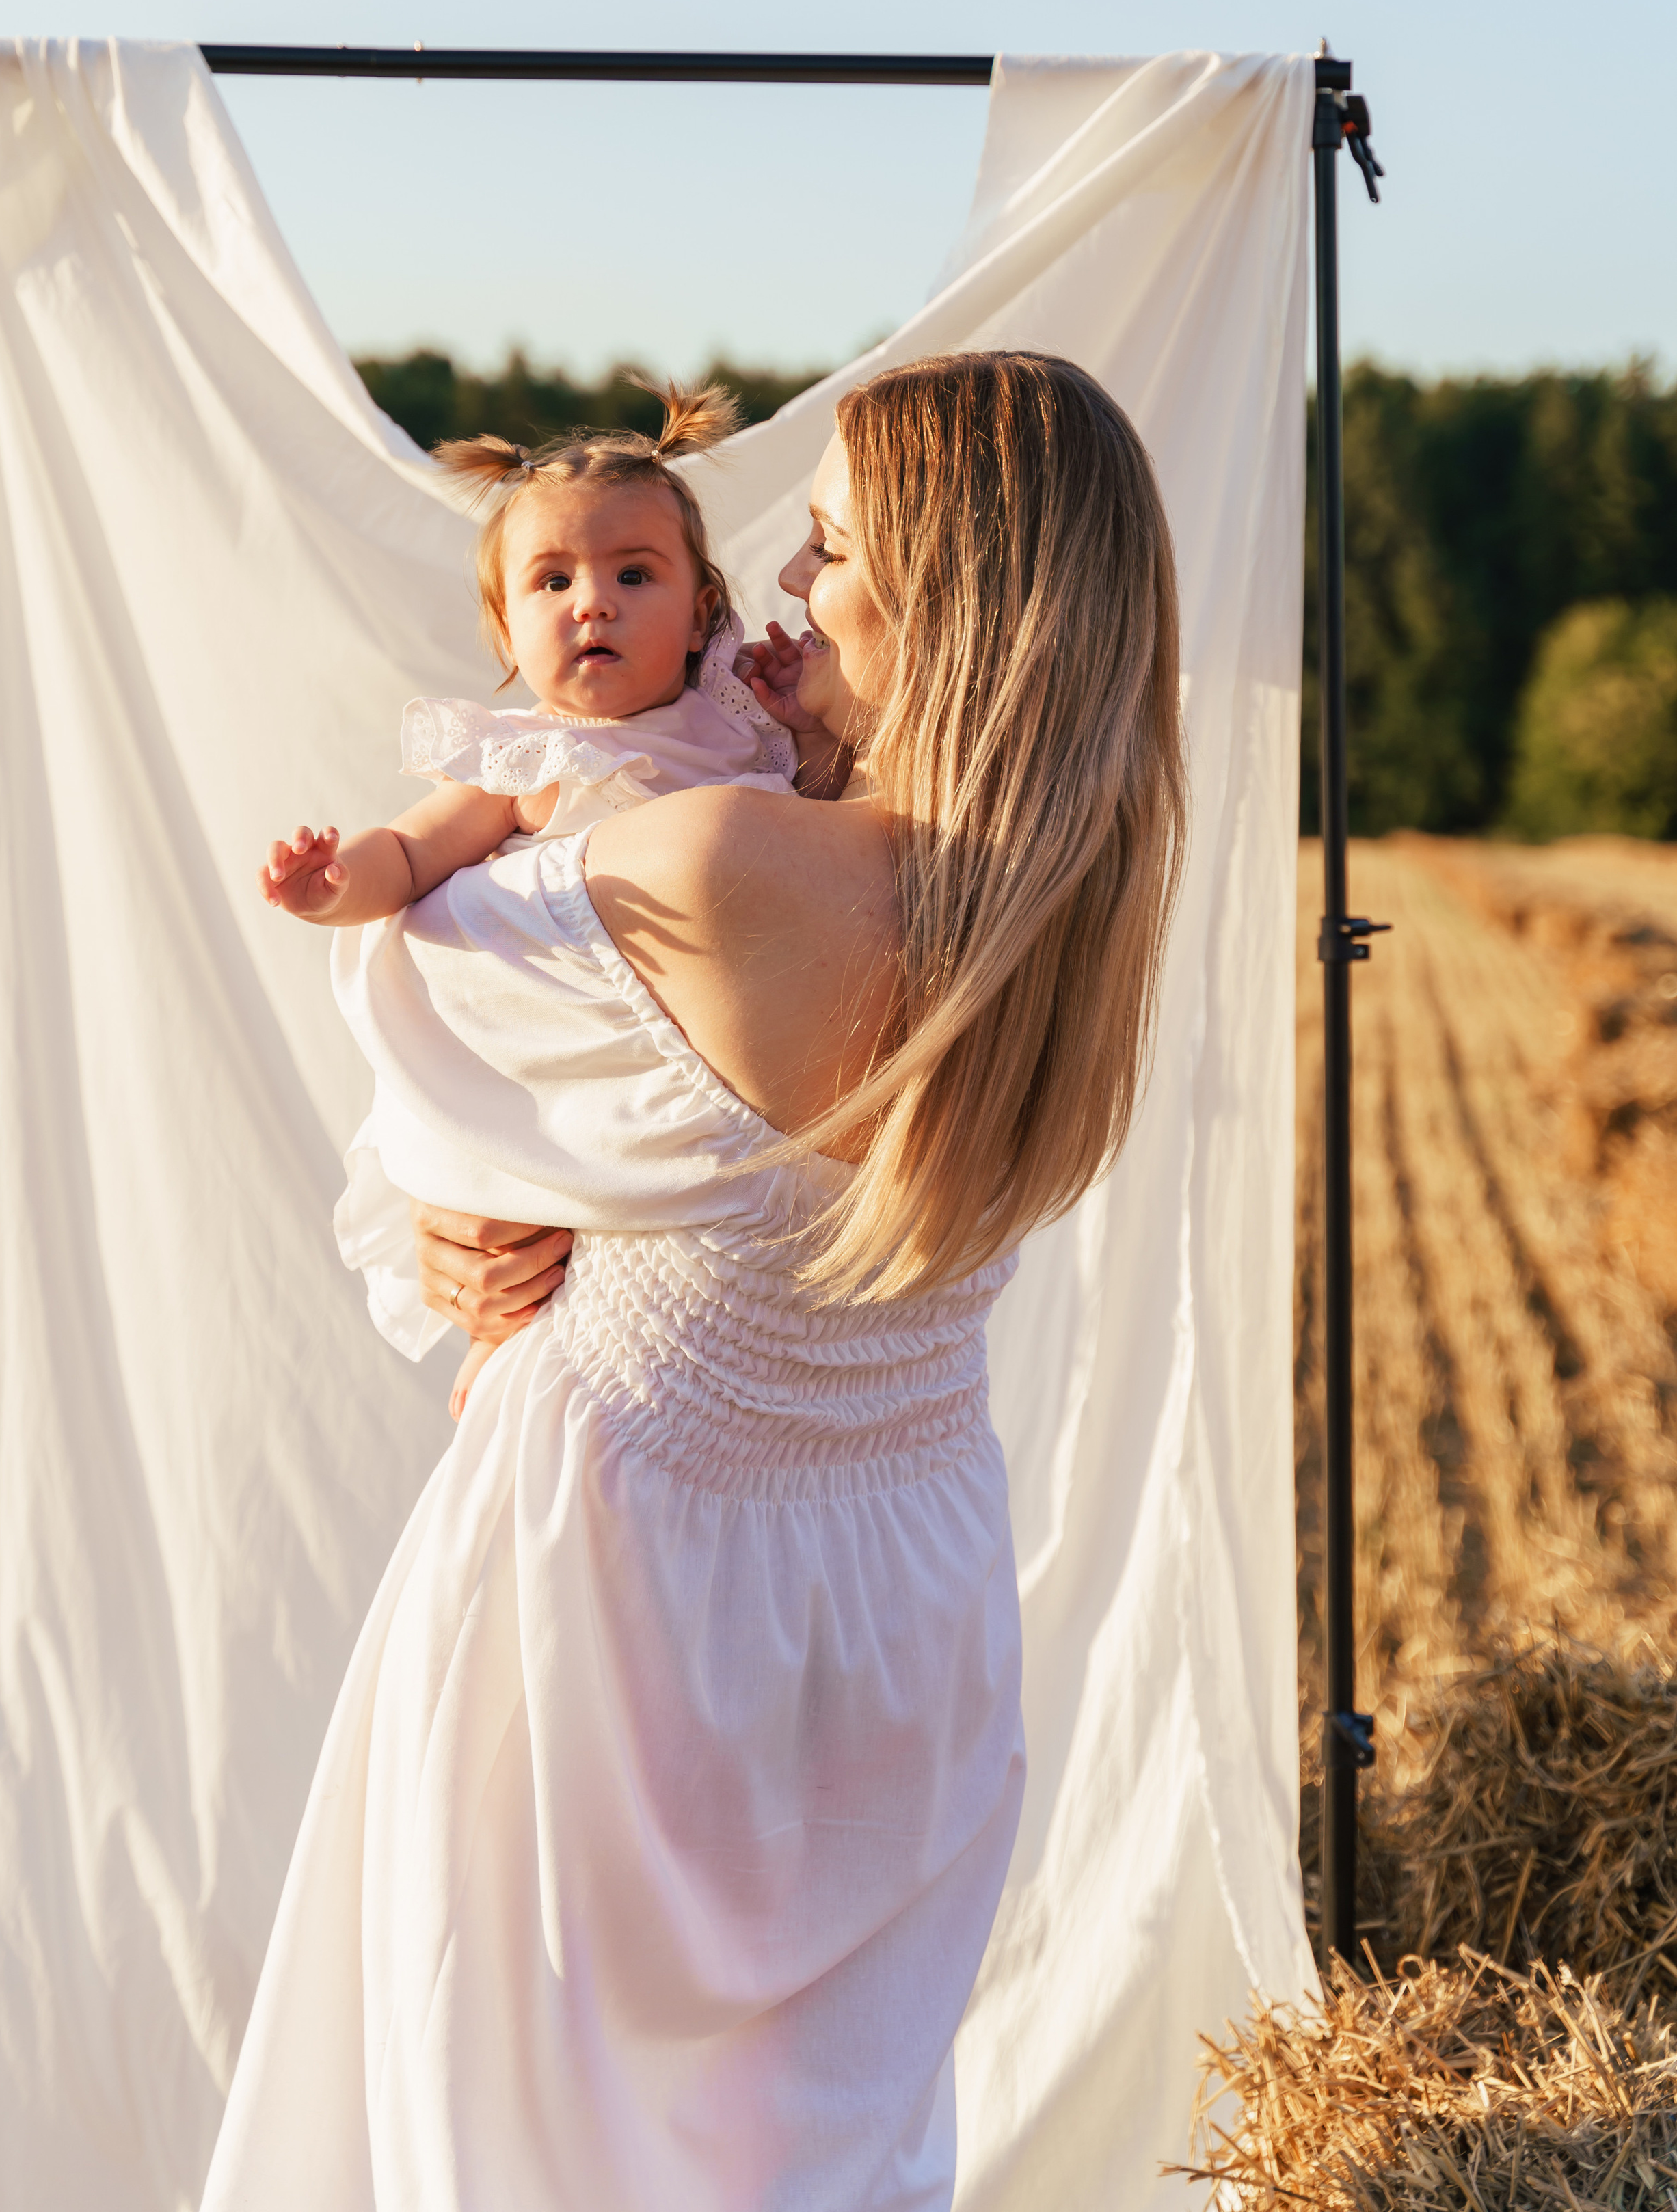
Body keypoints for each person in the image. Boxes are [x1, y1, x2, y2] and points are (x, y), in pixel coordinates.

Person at [204, 349, 1186, 2212]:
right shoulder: (1083, 886)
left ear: (947, 600)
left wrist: (466, 1215)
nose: (788, 598)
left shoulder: (717, 855)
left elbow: (420, 1018)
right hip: (912, 1586)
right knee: (819, 2152)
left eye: (826, 553)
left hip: (635, 1566)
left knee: (524, 2135)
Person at [259, 383, 829, 1416]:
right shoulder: (527, 758)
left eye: (634, 574)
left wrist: (812, 713)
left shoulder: (742, 727)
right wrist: (336, 883)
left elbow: (821, 813)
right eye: (552, 580)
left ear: (706, 606)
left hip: (707, 1089)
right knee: (535, 1247)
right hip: (559, 1086)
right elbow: (410, 851)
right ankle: (497, 1353)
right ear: (506, 627)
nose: (592, 603)